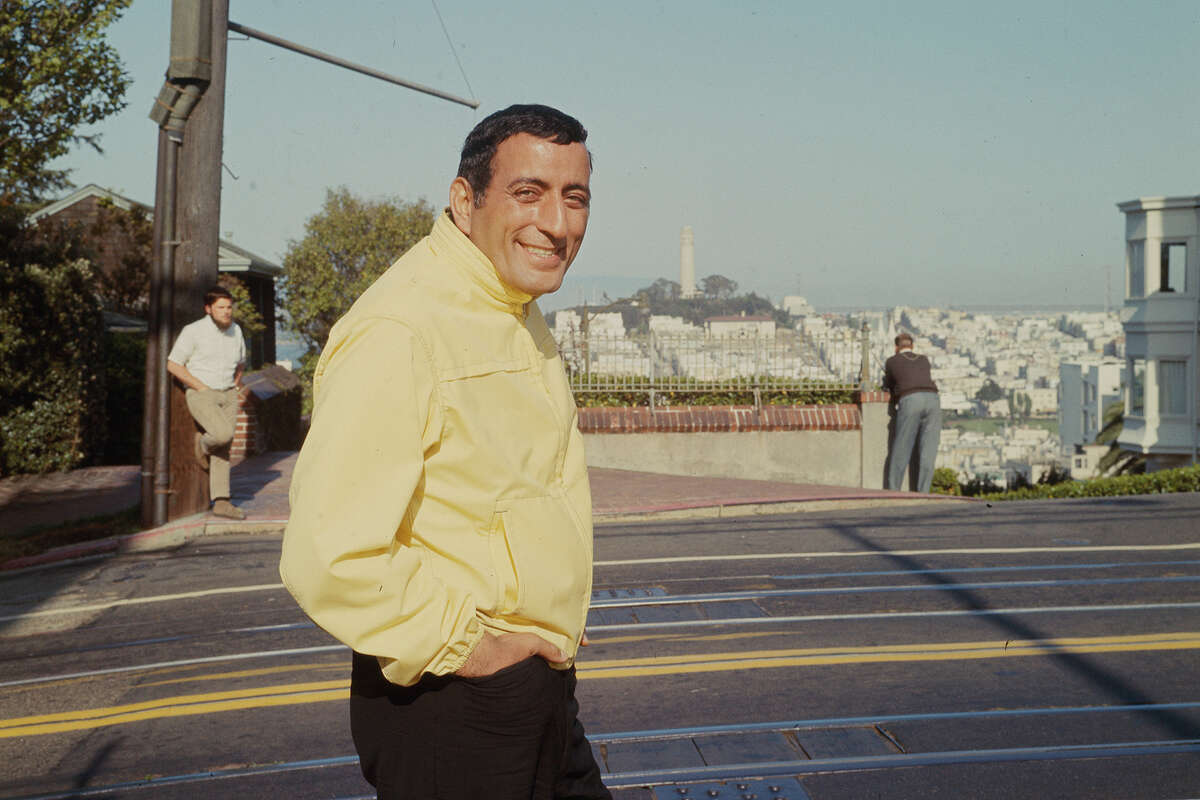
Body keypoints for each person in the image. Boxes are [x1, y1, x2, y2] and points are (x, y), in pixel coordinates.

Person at [279, 105, 611, 800]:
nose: (557, 223)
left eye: (573, 197)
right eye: (528, 193)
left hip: (532, 684)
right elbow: (330, 552)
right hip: (454, 696)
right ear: (465, 201)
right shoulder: (402, 327)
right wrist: (475, 650)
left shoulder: (509, 302)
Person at [166, 285, 247, 520]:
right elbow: (173, 364)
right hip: (202, 393)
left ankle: (222, 502)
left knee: (224, 446)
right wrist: (199, 386)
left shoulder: (236, 331)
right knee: (222, 435)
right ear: (208, 309)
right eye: (221, 307)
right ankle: (202, 445)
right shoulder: (193, 331)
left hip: (228, 393)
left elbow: (241, 361)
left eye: (229, 307)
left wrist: (236, 385)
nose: (226, 312)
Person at [883, 331, 941, 493]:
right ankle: (924, 492)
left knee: (902, 447)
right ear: (912, 346)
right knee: (928, 450)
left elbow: (888, 384)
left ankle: (894, 490)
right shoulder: (924, 360)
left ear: (896, 347)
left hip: (910, 400)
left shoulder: (892, 361)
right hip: (933, 399)